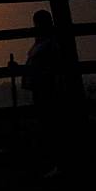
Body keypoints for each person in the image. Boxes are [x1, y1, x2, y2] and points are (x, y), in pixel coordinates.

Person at [22, 9, 64, 176]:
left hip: (47, 88)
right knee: (47, 125)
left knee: (50, 125)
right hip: (40, 88)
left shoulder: (49, 43)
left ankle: (56, 164)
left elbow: (50, 66)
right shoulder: (41, 43)